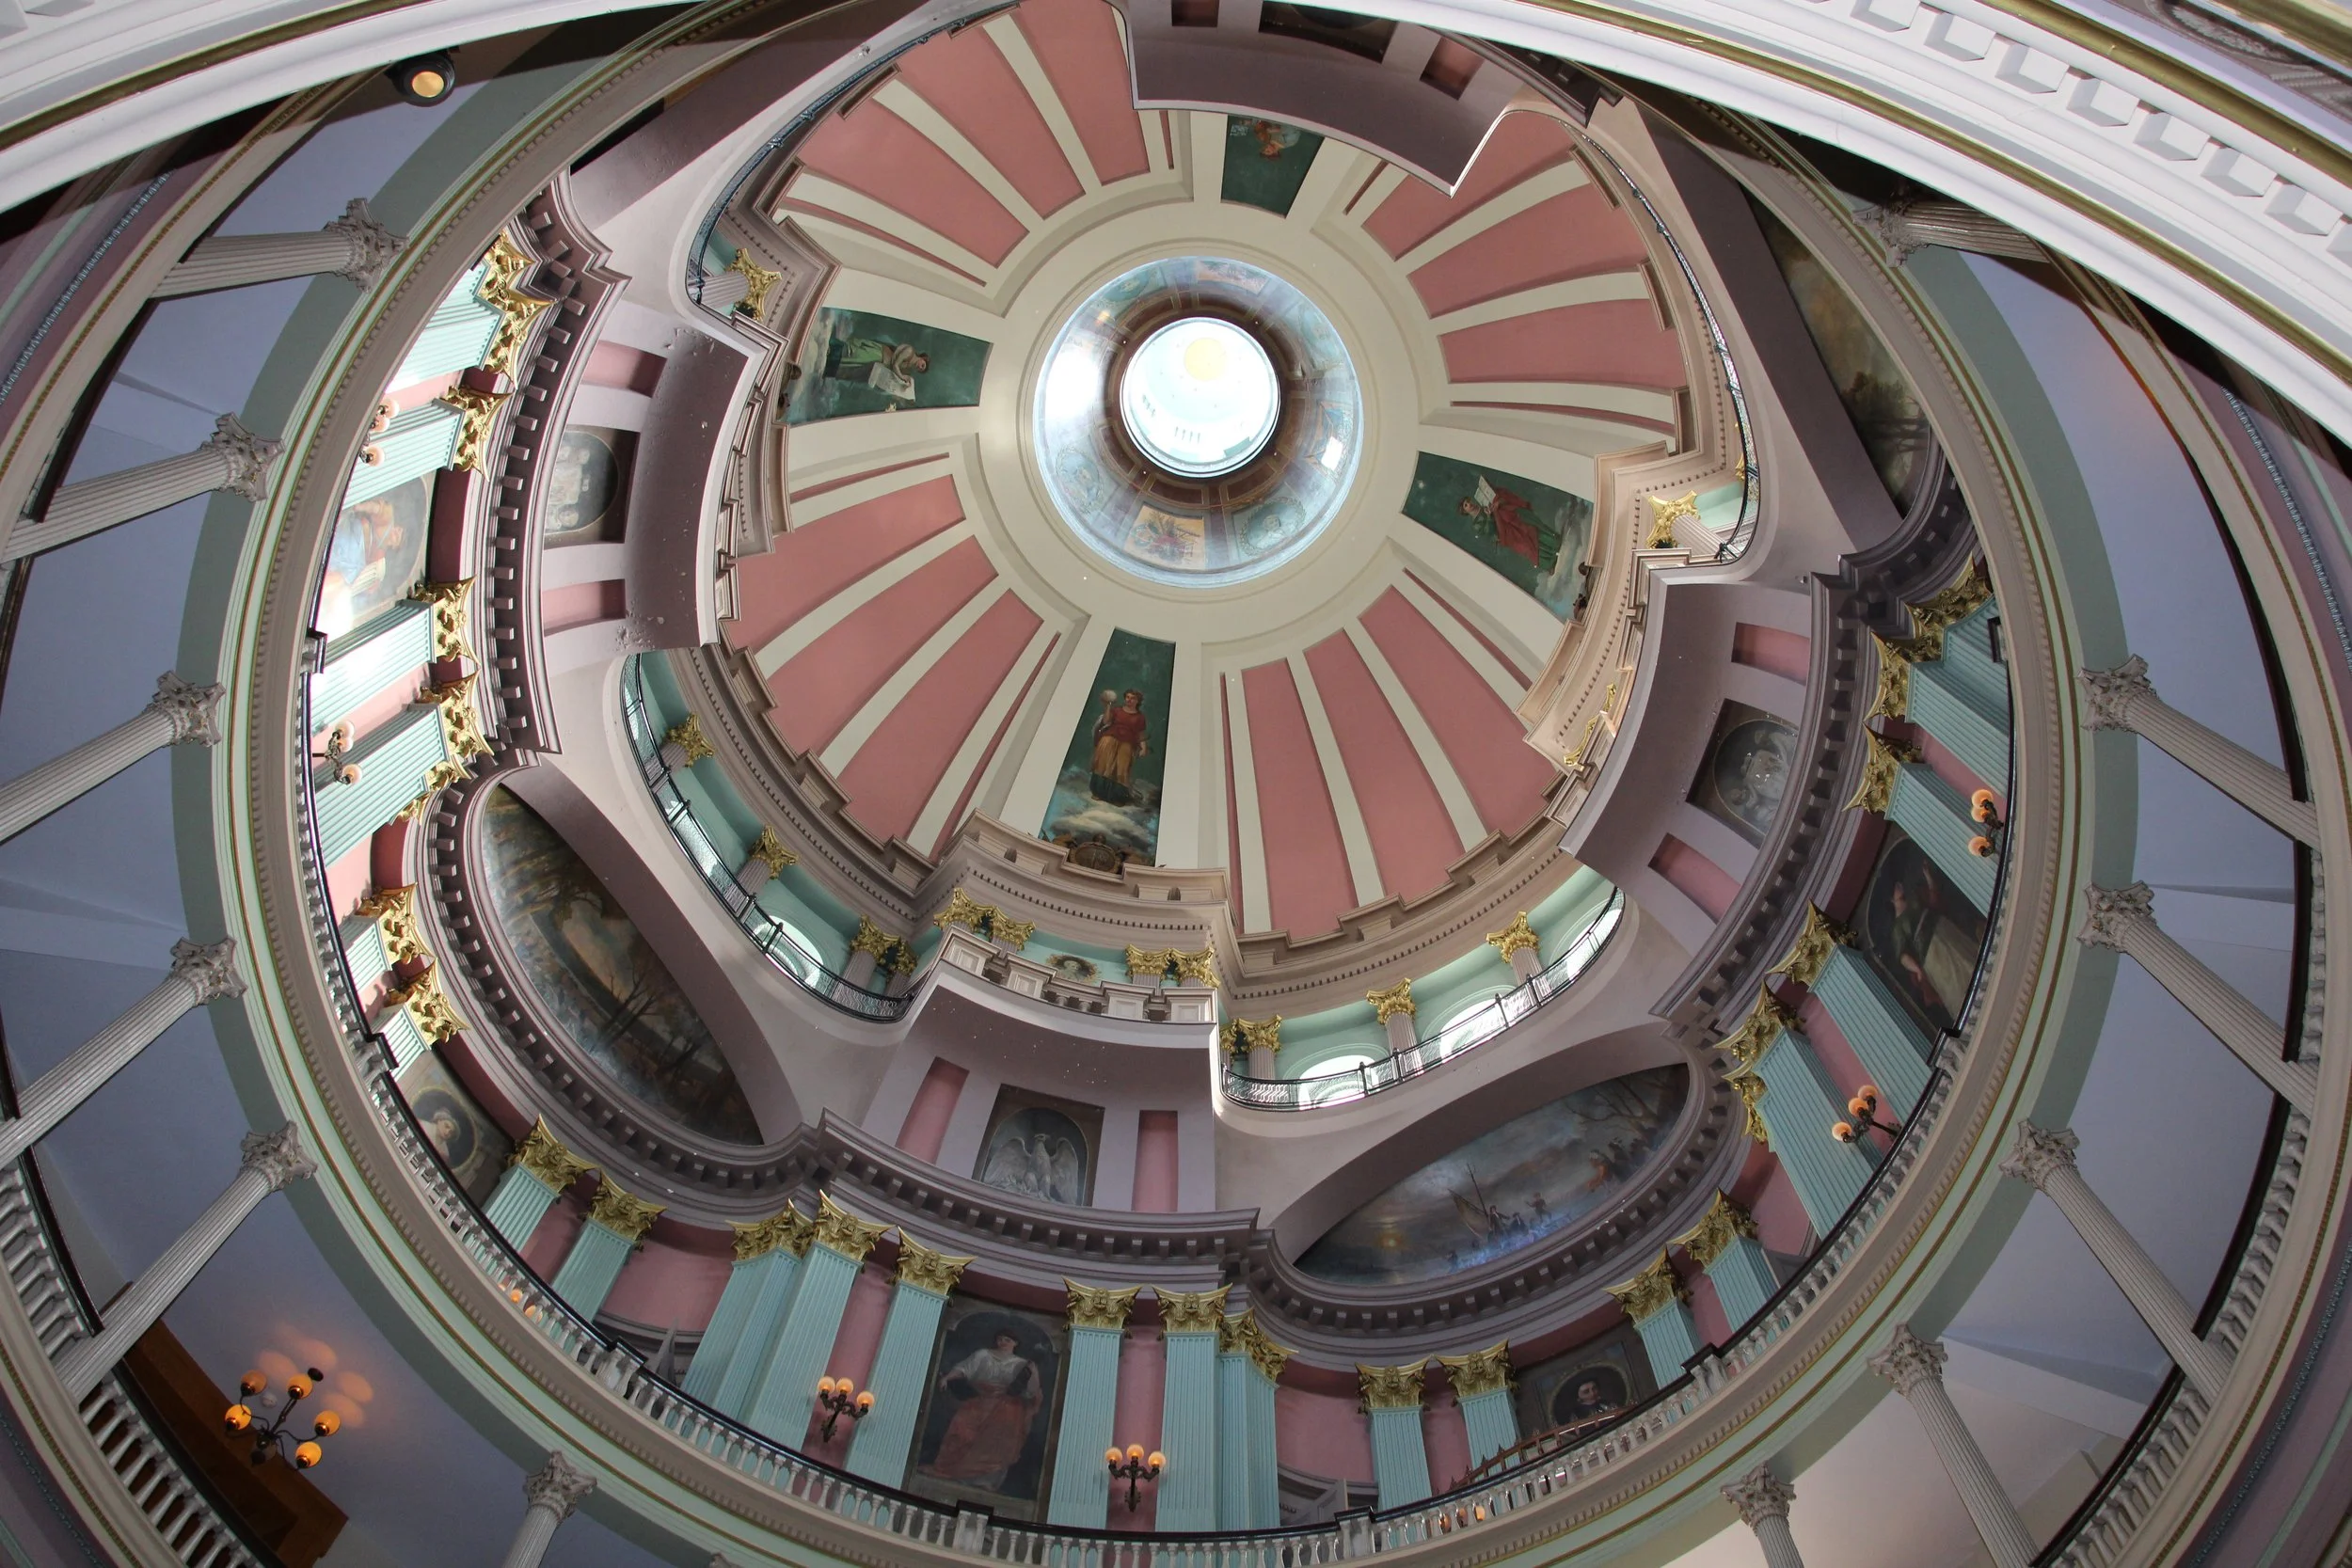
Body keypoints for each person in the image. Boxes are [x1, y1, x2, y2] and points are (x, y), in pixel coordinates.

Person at [923, 1328, 1041, 1491]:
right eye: (1000, 1339)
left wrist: (1033, 1373)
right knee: (962, 1427)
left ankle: (986, 1480)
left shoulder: (1022, 1364)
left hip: (1008, 1407)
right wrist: (947, 1377)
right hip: (980, 1400)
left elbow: (1031, 1392)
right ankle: (955, 1470)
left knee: (999, 1435)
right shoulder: (983, 1355)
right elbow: (964, 1369)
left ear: (1015, 1343)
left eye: (1007, 1340)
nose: (1003, 1342)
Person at [1459, 474, 1545, 566]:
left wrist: (1495, 506)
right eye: (1466, 505)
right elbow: (1489, 531)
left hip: (1507, 521)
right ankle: (1545, 562)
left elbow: (1497, 505)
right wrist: (1489, 516)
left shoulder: (1482, 505)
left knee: (1529, 530)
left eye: (1468, 502)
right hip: (1502, 533)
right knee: (1524, 546)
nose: (1469, 504)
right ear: (1465, 511)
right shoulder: (1476, 523)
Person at [1089, 689, 1150, 804]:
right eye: (1127, 697)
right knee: (1102, 765)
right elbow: (1106, 721)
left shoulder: (1140, 717)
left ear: (1138, 701)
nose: (1129, 700)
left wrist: (1143, 747)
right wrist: (1108, 706)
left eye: (1133, 698)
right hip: (1109, 740)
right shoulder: (1116, 710)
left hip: (1127, 743)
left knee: (1121, 769)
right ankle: (1098, 793)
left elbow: (1140, 734)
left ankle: (1116, 798)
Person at [824, 335, 930, 402]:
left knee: (852, 369)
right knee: (854, 355)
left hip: (878, 365)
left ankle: (828, 363)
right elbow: (895, 365)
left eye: (920, 370)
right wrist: (902, 377)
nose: (919, 367)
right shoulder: (910, 351)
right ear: (922, 358)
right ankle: (830, 348)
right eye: (922, 365)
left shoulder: (908, 368)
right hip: (878, 354)